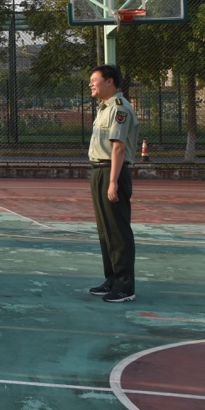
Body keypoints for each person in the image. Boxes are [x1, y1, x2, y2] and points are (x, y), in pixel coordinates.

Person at [87, 64, 138, 303]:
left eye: (94, 79)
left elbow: (118, 147)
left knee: (118, 231)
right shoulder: (104, 108)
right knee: (105, 230)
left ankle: (125, 286)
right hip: (99, 170)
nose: (90, 84)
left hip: (112, 171)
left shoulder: (120, 108)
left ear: (109, 81)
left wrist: (113, 182)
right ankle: (112, 279)